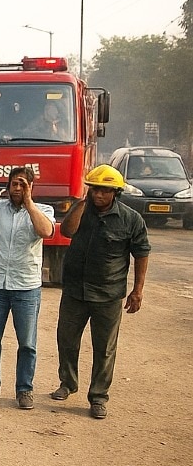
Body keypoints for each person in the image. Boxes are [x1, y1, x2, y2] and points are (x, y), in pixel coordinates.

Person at [51, 165, 150, 419]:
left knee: (104, 348)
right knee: (66, 340)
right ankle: (68, 383)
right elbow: (67, 231)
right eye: (95, 190)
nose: (99, 196)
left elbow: (141, 254)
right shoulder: (82, 211)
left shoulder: (131, 219)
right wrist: (82, 203)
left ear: (115, 193)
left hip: (108, 294)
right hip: (75, 290)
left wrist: (137, 290)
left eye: (105, 191)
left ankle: (98, 397)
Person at [0, 167, 55, 410]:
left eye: (22, 184)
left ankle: (24, 389)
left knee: (27, 342)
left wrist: (28, 202)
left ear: (30, 187)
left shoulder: (43, 211)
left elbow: (46, 232)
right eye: (13, 184)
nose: (16, 189)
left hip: (26, 286)